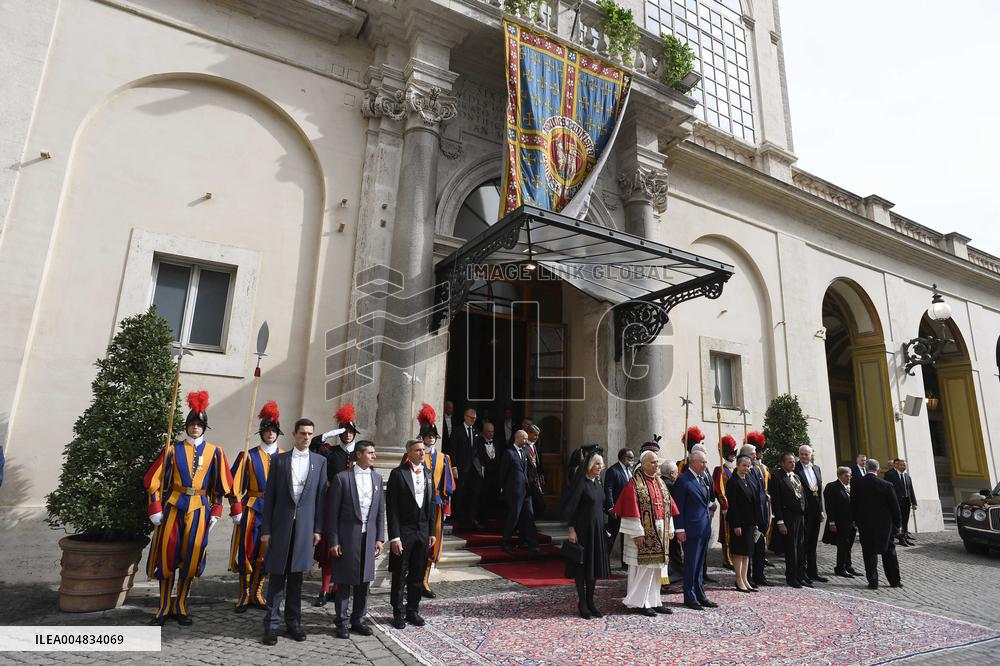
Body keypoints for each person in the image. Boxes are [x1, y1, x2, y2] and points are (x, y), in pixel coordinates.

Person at [144, 391, 242, 626]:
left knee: (190, 558)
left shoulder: (215, 452)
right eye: (192, 424)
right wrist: (155, 507)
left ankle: (181, 606)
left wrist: (218, 511)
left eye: (199, 425)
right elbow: (153, 480)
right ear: (187, 427)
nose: (195, 428)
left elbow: (223, 486)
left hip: (199, 509)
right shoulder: (172, 449)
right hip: (174, 507)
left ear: (204, 427)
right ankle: (164, 606)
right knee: (167, 557)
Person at [259, 419, 328, 645]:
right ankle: (271, 625)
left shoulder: (320, 461)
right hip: (281, 526)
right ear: (294, 434)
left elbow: (320, 498)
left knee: (297, 578)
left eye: (309, 433)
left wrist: (318, 528)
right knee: (277, 576)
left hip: (306, 527)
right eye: (302, 433)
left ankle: (294, 623)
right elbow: (269, 498)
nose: (306, 437)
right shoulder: (279, 460)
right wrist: (266, 529)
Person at [327, 440, 385, 638]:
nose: (374, 456)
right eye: (370, 453)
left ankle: (358, 619)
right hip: (346, 537)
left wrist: (379, 538)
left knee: (364, 581)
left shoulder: (377, 479)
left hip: (368, 538)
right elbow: (332, 514)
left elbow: (380, 512)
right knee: (344, 581)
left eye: (373, 453)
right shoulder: (342, 478)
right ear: (359, 454)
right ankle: (341, 622)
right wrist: (333, 541)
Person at [230, 400, 283, 613]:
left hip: (276, 511)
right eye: (267, 430)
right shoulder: (248, 455)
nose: (270, 433)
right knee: (248, 551)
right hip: (252, 507)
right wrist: (236, 508)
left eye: (274, 430)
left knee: (267, 553)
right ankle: (244, 593)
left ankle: (258, 591)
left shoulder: (285, 457)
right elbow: (233, 485)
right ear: (261, 432)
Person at [613, 449, 673, 616]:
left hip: (660, 531)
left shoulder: (660, 482)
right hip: (642, 534)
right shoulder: (634, 484)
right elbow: (630, 510)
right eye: (653, 462)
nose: (657, 465)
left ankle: (655, 601)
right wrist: (637, 533)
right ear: (644, 464)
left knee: (657, 570)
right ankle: (640, 602)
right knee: (643, 569)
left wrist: (671, 528)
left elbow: (668, 507)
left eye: (657, 462)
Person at [309, 402, 358, 607]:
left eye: (350, 431)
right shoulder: (331, 451)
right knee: (329, 546)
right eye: (344, 431)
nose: (347, 435)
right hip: (332, 502)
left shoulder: (360, 452)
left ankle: (339, 590)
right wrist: (330, 433)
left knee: (347, 547)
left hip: (352, 505)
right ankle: (324, 589)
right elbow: (313, 444)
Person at [387, 439, 436, 629]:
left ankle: (413, 610)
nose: (422, 453)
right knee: (400, 574)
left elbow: (431, 505)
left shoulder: (428, 474)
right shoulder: (398, 474)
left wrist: (432, 531)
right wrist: (395, 537)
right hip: (404, 531)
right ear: (409, 453)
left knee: (418, 573)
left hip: (423, 531)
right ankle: (398, 612)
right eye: (418, 450)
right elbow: (392, 509)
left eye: (423, 450)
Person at [563, 452, 612, 619]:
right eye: (597, 464)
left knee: (593, 568)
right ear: (590, 465)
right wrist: (571, 530)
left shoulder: (598, 482)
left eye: (601, 464)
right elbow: (571, 508)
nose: (600, 467)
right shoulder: (581, 483)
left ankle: (591, 602)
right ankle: (582, 603)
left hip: (597, 530)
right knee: (582, 569)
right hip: (582, 531)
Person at [417, 403, 455, 599]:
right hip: (417, 505)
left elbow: (449, 485)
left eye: (433, 436)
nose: (430, 439)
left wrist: (446, 506)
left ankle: (424, 580)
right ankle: (412, 580)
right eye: (427, 436)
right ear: (422, 438)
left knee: (433, 543)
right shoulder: (414, 455)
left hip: (436, 506)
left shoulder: (443, 457)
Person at [672, 449, 718, 610]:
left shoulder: (703, 478)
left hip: (704, 527)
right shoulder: (683, 481)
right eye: (703, 462)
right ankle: (689, 596)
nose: (705, 465)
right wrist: (679, 529)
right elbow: (678, 508)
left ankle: (700, 594)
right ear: (693, 463)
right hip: (690, 529)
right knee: (691, 564)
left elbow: (707, 499)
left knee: (699, 566)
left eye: (706, 462)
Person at [851, 458, 902, 590]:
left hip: (865, 524)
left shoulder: (856, 483)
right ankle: (894, 581)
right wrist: (898, 525)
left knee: (868, 553)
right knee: (889, 553)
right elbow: (894, 507)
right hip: (885, 525)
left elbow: (853, 505)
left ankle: (873, 582)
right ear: (878, 469)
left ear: (866, 468)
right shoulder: (886, 485)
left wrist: (855, 520)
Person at [770, 451, 808, 588]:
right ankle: (791, 577)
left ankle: (800, 575)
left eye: (794, 461)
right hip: (788, 517)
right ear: (782, 463)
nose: (793, 464)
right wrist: (780, 521)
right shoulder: (777, 477)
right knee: (791, 549)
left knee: (801, 547)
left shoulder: (796, 476)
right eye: (790, 462)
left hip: (800, 516)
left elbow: (802, 496)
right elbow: (777, 501)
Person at [499, 429, 539, 555]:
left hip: (526, 491)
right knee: (514, 517)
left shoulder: (524, 452)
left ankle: (533, 544)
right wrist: (503, 488)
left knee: (529, 516)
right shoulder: (509, 453)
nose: (527, 441)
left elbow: (527, 470)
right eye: (525, 438)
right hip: (515, 491)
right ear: (517, 438)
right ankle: (505, 543)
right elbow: (503, 473)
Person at [725, 454, 760, 593]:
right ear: (738, 465)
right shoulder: (733, 482)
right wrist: (736, 524)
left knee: (747, 553)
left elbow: (754, 501)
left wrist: (756, 521)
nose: (746, 468)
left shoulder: (749, 480)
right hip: (739, 523)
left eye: (748, 465)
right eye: (744, 465)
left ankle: (745, 579)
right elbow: (733, 506)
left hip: (750, 522)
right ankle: (739, 581)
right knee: (739, 553)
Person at [794, 445, 827, 583]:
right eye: (801, 454)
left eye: (806, 454)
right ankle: (802, 573)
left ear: (811, 455)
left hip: (815, 511)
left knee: (813, 543)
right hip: (803, 512)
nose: (803, 456)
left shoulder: (816, 468)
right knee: (803, 544)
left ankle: (813, 572)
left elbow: (818, 492)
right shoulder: (796, 468)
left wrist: (820, 510)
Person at [822, 466, 857, 578]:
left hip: (851, 522)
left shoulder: (851, 486)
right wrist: (832, 522)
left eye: (850, 475)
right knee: (842, 545)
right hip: (839, 522)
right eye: (846, 476)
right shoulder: (832, 486)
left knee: (849, 545)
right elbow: (829, 506)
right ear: (840, 475)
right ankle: (840, 568)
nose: (849, 478)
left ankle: (848, 566)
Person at [451, 407, 481, 529]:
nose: (473, 420)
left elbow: (477, 451)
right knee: (460, 493)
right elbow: (452, 450)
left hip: (474, 469)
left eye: (475, 418)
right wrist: (454, 466)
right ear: (465, 417)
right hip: (461, 468)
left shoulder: (476, 431)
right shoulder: (457, 431)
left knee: (474, 493)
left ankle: (471, 517)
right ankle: (459, 518)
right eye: (471, 418)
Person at [605, 448, 635, 568]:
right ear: (623, 458)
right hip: (616, 510)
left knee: (625, 538)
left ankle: (625, 563)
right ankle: (604, 560)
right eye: (630, 458)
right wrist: (611, 507)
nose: (632, 460)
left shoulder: (630, 471)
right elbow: (609, 489)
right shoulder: (613, 470)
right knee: (611, 535)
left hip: (628, 510)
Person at [712, 435, 738, 570]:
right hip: (726, 506)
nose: (733, 457)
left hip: (737, 506)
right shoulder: (720, 470)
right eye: (731, 454)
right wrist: (724, 505)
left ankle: (734, 556)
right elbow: (718, 489)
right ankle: (727, 559)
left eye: (734, 454)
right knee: (726, 533)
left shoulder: (737, 470)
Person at [659, 459, 683, 577]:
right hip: (670, 523)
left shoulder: (657, 483)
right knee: (673, 551)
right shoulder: (672, 486)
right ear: (672, 473)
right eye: (676, 472)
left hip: (660, 523)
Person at [884, 458, 917, 546]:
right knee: (899, 520)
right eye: (902, 465)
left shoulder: (907, 477)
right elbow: (887, 489)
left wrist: (914, 503)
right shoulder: (890, 475)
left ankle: (905, 537)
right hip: (896, 502)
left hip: (906, 502)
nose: (903, 467)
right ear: (897, 465)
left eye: (905, 465)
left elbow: (911, 490)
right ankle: (901, 538)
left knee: (905, 521)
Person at [475, 421, 502, 522]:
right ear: (484, 431)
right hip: (483, 474)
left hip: (495, 474)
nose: (491, 433)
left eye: (493, 431)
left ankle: (492, 516)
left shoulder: (497, 442)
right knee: (483, 496)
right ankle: (482, 518)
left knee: (494, 495)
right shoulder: (478, 442)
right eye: (489, 431)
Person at [524, 424, 546, 517]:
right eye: (535, 435)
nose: (537, 437)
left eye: (538, 435)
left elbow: (538, 463)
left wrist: (541, 476)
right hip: (527, 480)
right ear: (528, 434)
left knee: (540, 504)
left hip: (535, 480)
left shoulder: (535, 446)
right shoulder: (523, 446)